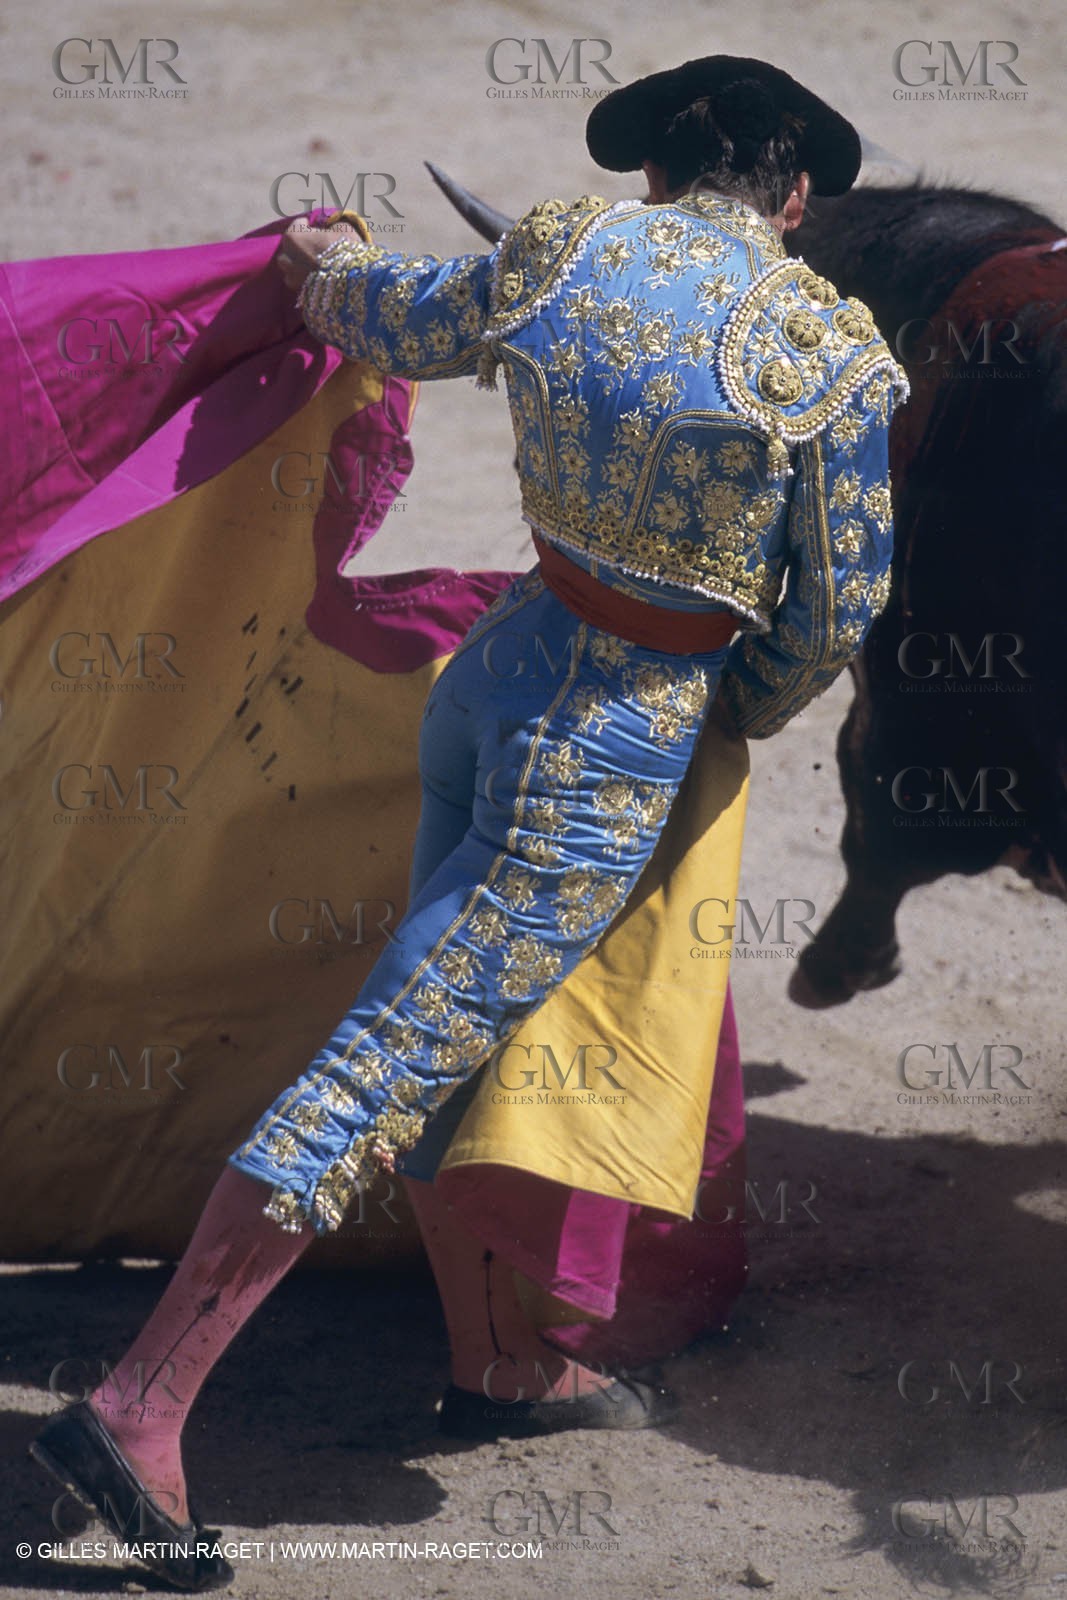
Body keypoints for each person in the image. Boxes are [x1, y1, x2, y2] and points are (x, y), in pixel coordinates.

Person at [31, 55, 907, 1592]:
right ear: (795, 193)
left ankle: (502, 1363)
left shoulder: (566, 247)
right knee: (393, 1054)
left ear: (658, 174)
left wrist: (318, 262)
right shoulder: (825, 347)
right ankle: (138, 1412)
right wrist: (735, 704)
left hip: (493, 681)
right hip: (611, 748)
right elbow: (842, 609)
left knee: (448, 1039)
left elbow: (377, 313)